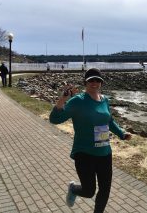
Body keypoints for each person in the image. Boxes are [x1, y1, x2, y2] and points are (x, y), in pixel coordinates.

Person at [49, 68, 131, 213]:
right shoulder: (77, 101)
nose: (94, 83)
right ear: (85, 83)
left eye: (97, 80)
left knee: (105, 190)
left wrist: (121, 133)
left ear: (101, 83)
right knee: (89, 191)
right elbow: (54, 119)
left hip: (105, 152)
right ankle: (74, 189)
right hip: (84, 153)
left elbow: (109, 121)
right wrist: (62, 99)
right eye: (91, 80)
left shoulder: (105, 100)